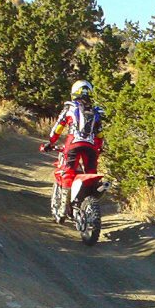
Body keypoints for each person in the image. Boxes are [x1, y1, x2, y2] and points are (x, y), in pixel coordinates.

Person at [40, 80, 105, 214]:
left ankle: (64, 206)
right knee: (90, 174)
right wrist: (99, 148)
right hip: (91, 147)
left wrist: (50, 142)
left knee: (68, 172)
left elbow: (58, 126)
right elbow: (100, 134)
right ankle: (88, 206)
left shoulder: (70, 107)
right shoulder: (95, 111)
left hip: (73, 144)